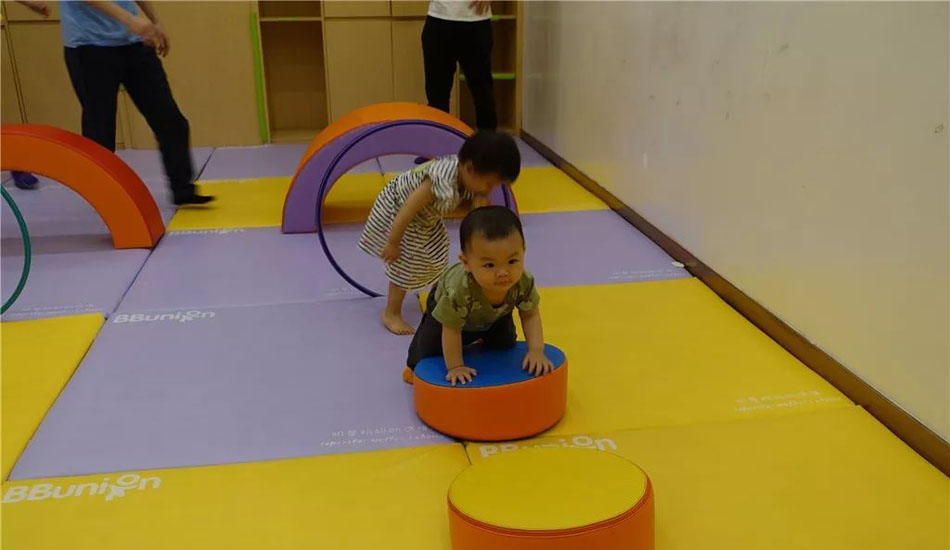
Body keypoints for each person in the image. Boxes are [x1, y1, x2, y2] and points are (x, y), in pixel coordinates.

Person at [17, 0, 212, 205]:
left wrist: (155, 22)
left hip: (133, 43)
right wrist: (129, 20)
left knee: (171, 120)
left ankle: (182, 190)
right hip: (89, 47)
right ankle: (105, 201)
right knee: (100, 133)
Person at [359, 131, 520, 335]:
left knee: (438, 253)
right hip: (399, 211)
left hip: (426, 218)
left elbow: (452, 205)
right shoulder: (439, 178)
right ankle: (391, 313)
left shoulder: (468, 178)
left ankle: (441, 300)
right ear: (470, 168)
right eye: (489, 184)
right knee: (406, 263)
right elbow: (408, 207)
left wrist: (474, 207)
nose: (489, 190)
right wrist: (393, 242)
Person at [403, 205, 553, 386]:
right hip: (446, 310)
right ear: (466, 262)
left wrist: (536, 350)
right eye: (490, 265)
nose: (503, 273)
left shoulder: (523, 281)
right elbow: (451, 329)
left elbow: (530, 315)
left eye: (512, 261)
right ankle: (413, 365)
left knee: (504, 343)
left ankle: (482, 335)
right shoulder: (459, 290)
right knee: (429, 346)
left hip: (494, 312)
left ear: (523, 251)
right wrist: (456, 367)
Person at [422, 0, 497, 131]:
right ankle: (438, 141)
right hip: (439, 19)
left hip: (476, 22)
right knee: (437, 96)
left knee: (483, 94)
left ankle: (488, 141)